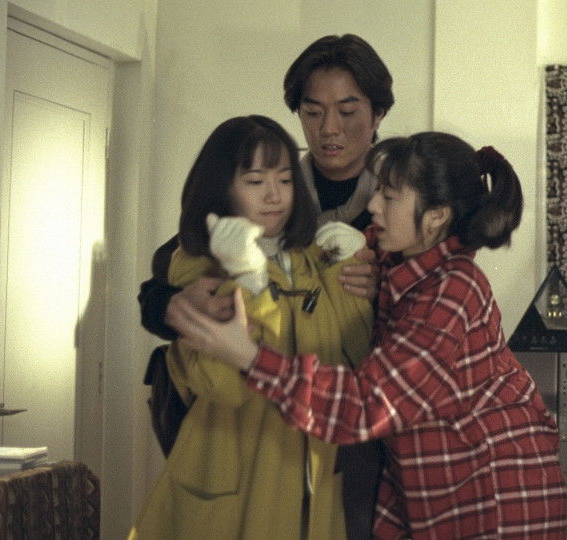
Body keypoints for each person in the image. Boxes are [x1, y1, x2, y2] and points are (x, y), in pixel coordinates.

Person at [167, 132, 567, 539]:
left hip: (491, 492)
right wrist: (166, 298)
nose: (373, 205)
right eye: (377, 190)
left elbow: (368, 404)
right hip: (426, 479)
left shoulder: (453, 290)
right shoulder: (391, 256)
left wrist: (251, 358)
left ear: (436, 216)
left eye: (389, 196)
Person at [137, 33, 393, 538]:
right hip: (252, 440)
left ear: (378, 113)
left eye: (347, 111)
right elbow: (167, 278)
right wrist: (173, 304)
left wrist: (372, 287)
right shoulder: (274, 196)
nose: (329, 129)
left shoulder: (400, 198)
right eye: (313, 112)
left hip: (363, 433)